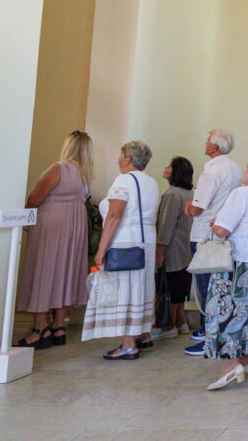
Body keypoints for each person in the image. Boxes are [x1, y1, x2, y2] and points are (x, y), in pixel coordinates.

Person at [203, 158, 248, 389]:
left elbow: (223, 229)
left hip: (237, 261)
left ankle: (230, 366)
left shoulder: (241, 194)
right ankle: (246, 363)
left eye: (247, 169)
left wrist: (214, 225)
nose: (244, 173)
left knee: (224, 310)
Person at [15, 130, 93, 349]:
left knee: (43, 271)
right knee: (64, 273)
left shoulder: (59, 168)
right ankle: (58, 327)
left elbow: (34, 198)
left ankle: (40, 328)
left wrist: (25, 216)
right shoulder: (86, 175)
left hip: (52, 226)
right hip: (75, 227)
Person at [82, 141, 159, 360]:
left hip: (125, 242)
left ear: (127, 158)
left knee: (125, 290)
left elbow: (115, 215)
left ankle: (127, 345)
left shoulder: (124, 180)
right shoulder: (151, 183)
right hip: (147, 241)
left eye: (120, 155)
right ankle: (143, 334)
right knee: (141, 287)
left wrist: (101, 249)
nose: (118, 159)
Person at [183, 129, 242, 356]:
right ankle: (212, 331)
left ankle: (209, 337)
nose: (205, 143)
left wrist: (189, 205)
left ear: (215, 147)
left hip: (204, 236)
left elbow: (197, 207)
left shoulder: (212, 172)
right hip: (226, 234)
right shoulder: (234, 168)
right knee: (221, 287)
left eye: (208, 141)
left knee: (207, 289)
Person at [151, 156, 194, 340]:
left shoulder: (171, 194)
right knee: (180, 287)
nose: (165, 167)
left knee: (167, 287)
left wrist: (159, 252)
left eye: (169, 165)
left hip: (172, 249)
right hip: (187, 249)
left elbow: (165, 227)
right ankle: (181, 321)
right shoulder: (189, 194)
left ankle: (167, 325)